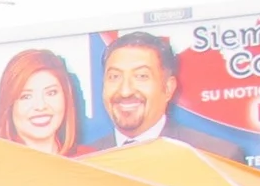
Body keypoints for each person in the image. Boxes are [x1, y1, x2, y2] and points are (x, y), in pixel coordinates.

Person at [100, 32, 241, 157]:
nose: (125, 91)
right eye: (114, 77)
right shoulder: (88, 159)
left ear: (168, 88)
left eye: (141, 76)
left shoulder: (216, 156)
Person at [0, 48, 84, 156]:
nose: (41, 106)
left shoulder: (90, 159)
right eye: (26, 96)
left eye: (51, 93)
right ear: (9, 106)